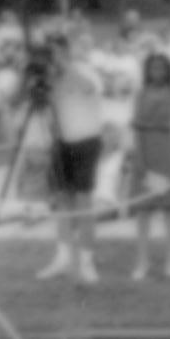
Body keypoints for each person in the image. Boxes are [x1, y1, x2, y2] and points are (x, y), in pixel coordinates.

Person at [32, 37, 109, 285]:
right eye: (49, 54)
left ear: (65, 51)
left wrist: (63, 69)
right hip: (61, 142)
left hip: (86, 140)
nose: (52, 59)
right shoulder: (50, 78)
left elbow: (88, 89)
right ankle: (62, 257)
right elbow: (41, 107)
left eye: (56, 53)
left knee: (84, 202)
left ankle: (87, 261)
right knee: (63, 201)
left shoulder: (84, 72)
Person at [122, 52, 170, 279]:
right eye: (152, 68)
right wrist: (139, 154)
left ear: (168, 70)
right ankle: (142, 261)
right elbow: (136, 125)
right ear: (147, 71)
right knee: (143, 210)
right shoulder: (140, 93)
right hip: (144, 150)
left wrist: (143, 122)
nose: (157, 72)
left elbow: (169, 118)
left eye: (161, 68)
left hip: (166, 151)